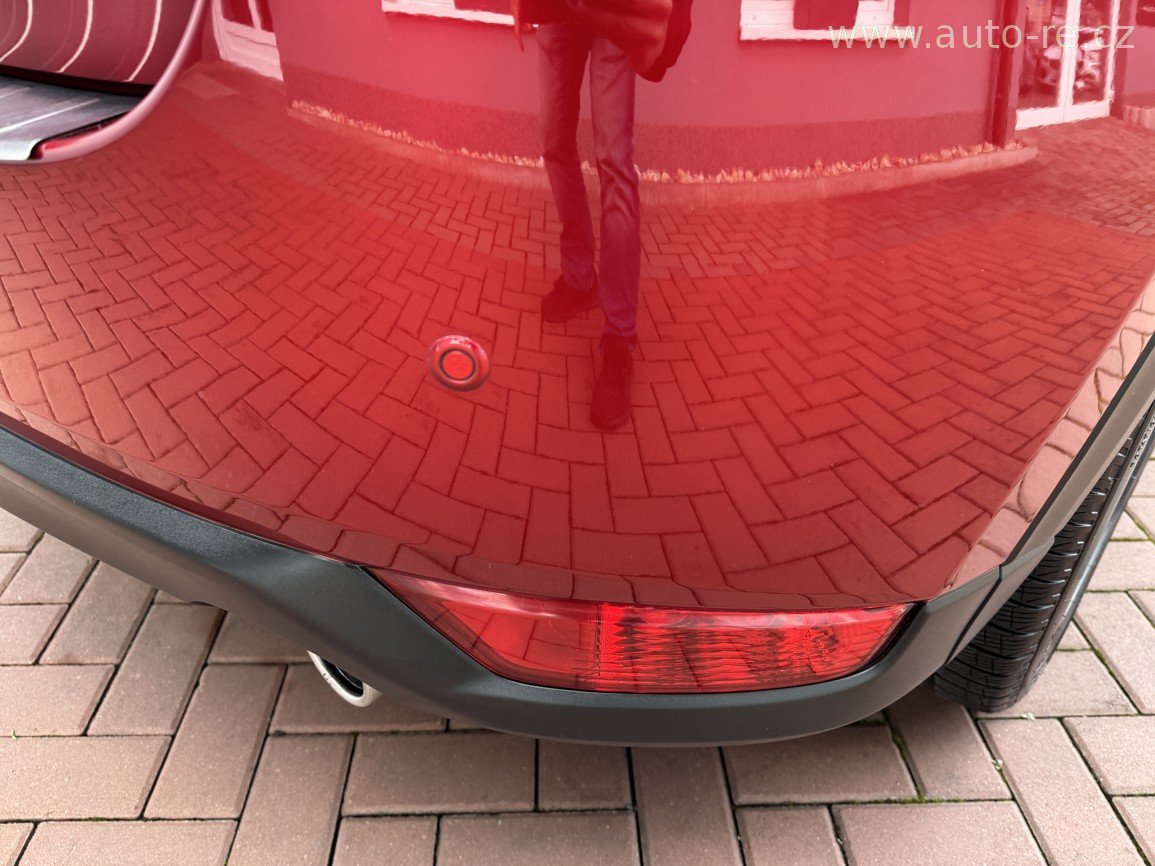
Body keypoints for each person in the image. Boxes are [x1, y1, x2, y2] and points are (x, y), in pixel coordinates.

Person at [512, 0, 645, 430]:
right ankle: (579, 277)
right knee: (554, 144)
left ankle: (619, 337)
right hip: (556, 9)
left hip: (616, 9)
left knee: (615, 164)